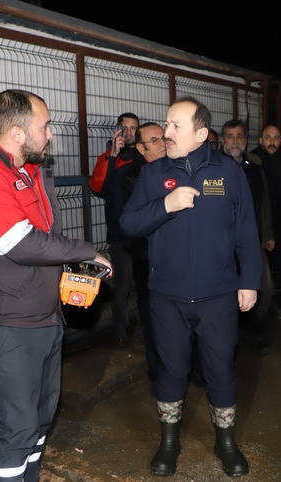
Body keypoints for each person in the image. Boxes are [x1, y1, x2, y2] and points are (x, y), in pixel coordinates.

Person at [0, 89, 112, 482]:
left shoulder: (27, 171)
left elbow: (45, 237)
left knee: (39, 420)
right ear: (17, 133)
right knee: (17, 430)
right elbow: (23, 244)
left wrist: (71, 268)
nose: (50, 134)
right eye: (44, 126)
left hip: (45, 317)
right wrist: (86, 250)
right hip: (9, 328)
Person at [120, 96, 261, 477]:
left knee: (220, 369)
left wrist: (249, 282)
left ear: (200, 134)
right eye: (166, 124)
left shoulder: (229, 172)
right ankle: (169, 442)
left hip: (219, 295)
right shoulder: (153, 174)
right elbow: (129, 224)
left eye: (175, 126)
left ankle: (226, 442)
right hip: (167, 296)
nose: (166, 133)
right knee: (171, 369)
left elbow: (247, 230)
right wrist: (165, 205)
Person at [118, 121, 167, 389]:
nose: (162, 144)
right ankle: (157, 374)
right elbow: (139, 220)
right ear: (140, 148)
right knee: (151, 318)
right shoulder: (132, 176)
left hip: (173, 258)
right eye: (154, 140)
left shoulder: (175, 168)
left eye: (163, 138)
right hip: (147, 257)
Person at [222, 119, 275, 355]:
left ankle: (253, 332)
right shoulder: (213, 169)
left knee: (264, 290)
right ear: (223, 140)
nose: (235, 141)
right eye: (230, 136)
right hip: (224, 246)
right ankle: (228, 338)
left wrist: (268, 234)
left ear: (245, 140)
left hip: (253, 243)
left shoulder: (254, 168)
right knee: (226, 296)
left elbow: (264, 204)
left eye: (240, 136)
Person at [89, 112, 142, 348]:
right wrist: (112, 155)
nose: (129, 132)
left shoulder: (144, 156)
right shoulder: (108, 157)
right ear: (117, 130)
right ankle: (119, 333)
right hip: (120, 236)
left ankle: (143, 331)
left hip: (144, 234)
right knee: (122, 286)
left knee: (146, 286)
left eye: (133, 128)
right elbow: (98, 187)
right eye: (124, 127)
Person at [251, 124, 281, 313]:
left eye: (276, 138)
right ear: (261, 140)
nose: (272, 142)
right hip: (260, 223)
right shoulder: (252, 161)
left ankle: (276, 302)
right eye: (268, 137)